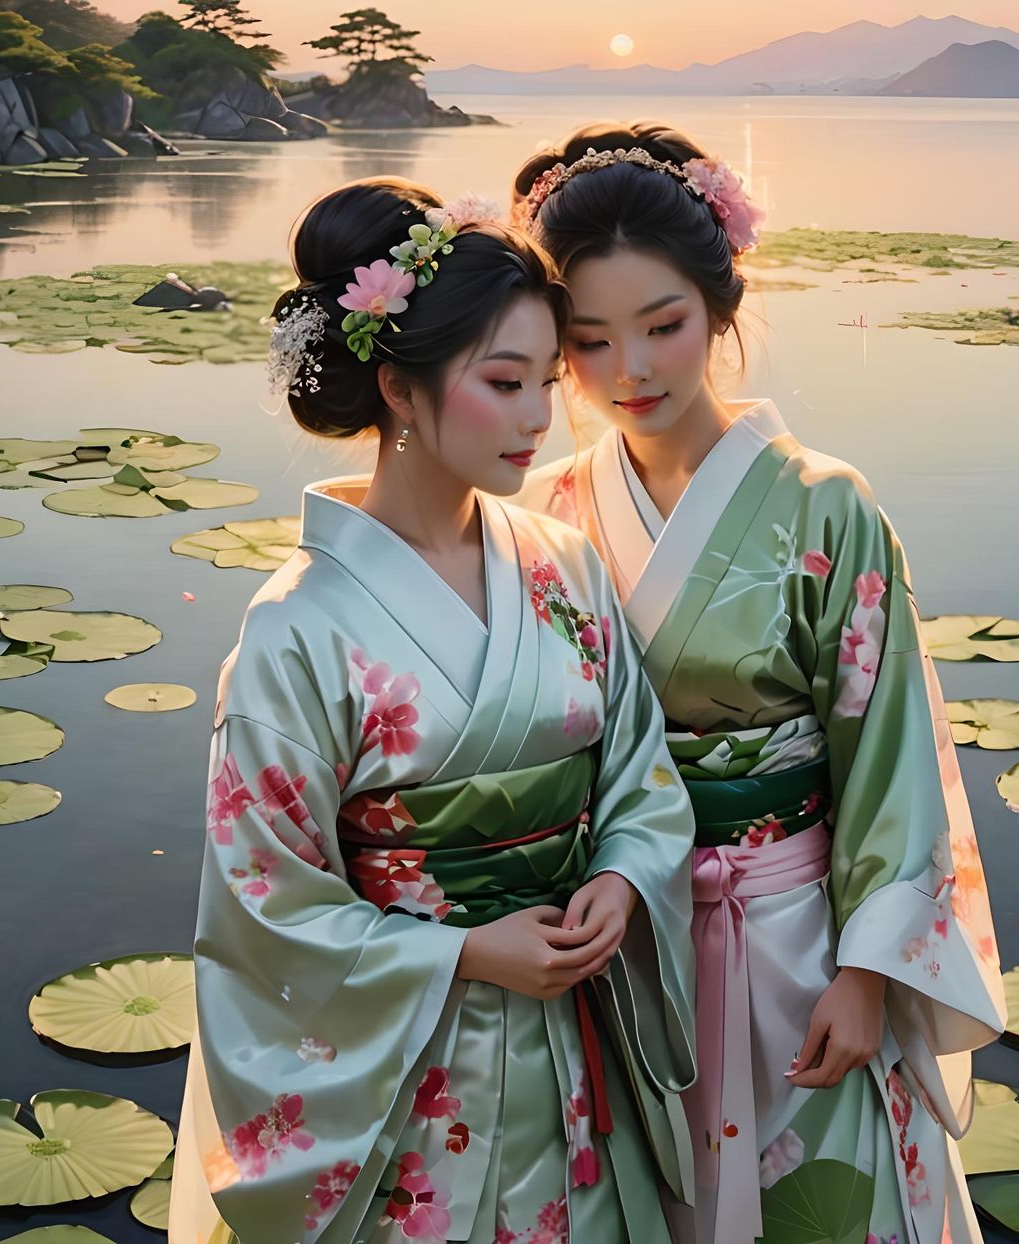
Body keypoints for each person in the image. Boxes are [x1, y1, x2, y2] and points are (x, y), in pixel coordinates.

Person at [168, 177, 696, 1244]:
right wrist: (461, 952)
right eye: (503, 382)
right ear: (398, 390)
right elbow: (265, 906)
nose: (540, 417)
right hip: (414, 1080)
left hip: (578, 1040)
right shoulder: (295, 630)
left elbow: (637, 768)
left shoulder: (564, 565)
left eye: (547, 381)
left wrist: (621, 875)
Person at [512, 125, 1007, 1244]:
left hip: (797, 939)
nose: (630, 371)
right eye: (588, 341)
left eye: (663, 326)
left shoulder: (827, 505)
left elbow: (885, 754)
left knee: (822, 1201)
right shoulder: (544, 513)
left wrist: (869, 969)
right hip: (619, 946)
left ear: (721, 307)